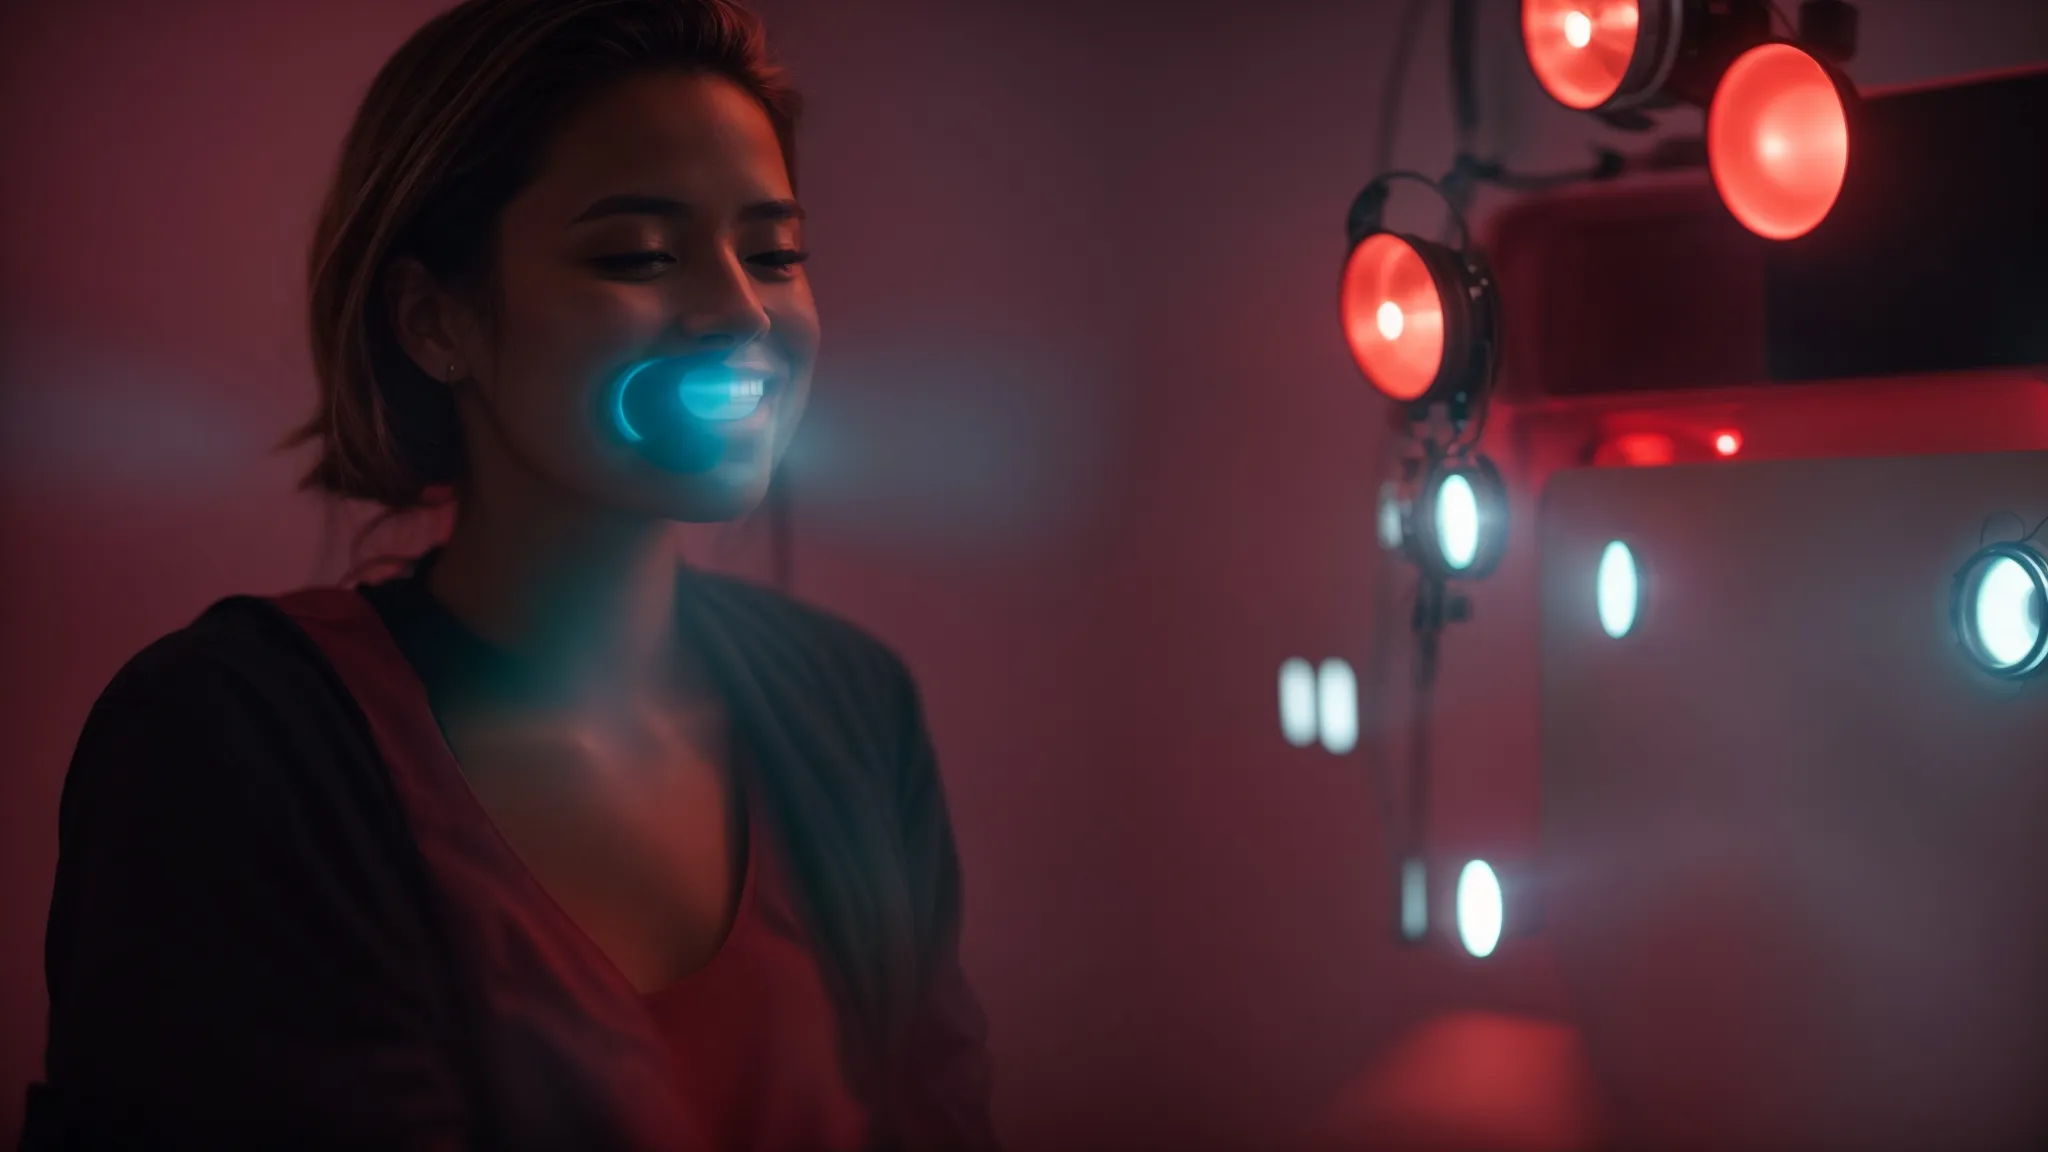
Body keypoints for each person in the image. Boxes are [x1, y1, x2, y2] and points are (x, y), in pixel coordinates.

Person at [23, 1, 996, 1148]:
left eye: (775, 253)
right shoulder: (228, 739)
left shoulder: (856, 709)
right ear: (435, 323)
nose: (740, 312)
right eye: (636, 254)